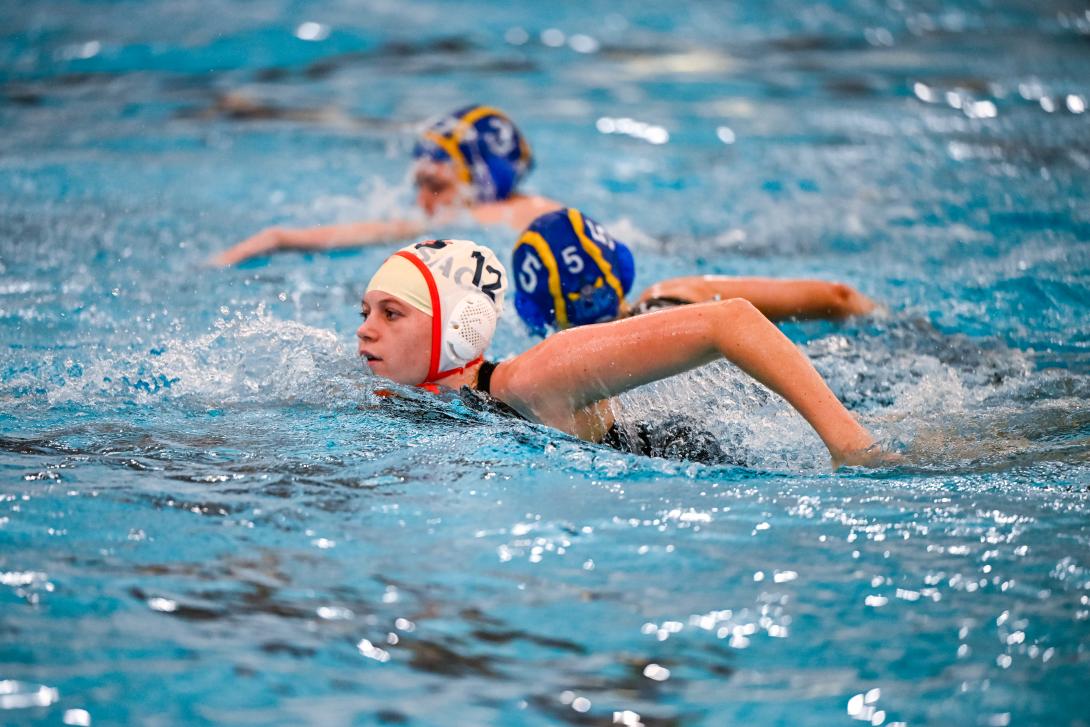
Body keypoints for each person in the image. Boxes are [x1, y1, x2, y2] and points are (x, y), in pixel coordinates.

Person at [357, 238, 887, 469]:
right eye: (365, 313)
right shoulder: (400, 396)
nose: (366, 332)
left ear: (458, 327)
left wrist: (849, 444)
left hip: (723, 461)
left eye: (391, 313)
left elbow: (731, 319)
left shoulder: (532, 379)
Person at [211, 105, 561, 266]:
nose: (423, 200)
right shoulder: (544, 213)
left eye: (436, 185)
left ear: (485, 182)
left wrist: (280, 238)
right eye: (419, 185)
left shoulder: (494, 216)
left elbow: (393, 230)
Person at [512, 208, 877, 334]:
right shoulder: (679, 294)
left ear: (533, 312)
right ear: (622, 268)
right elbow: (837, 296)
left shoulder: (553, 382)